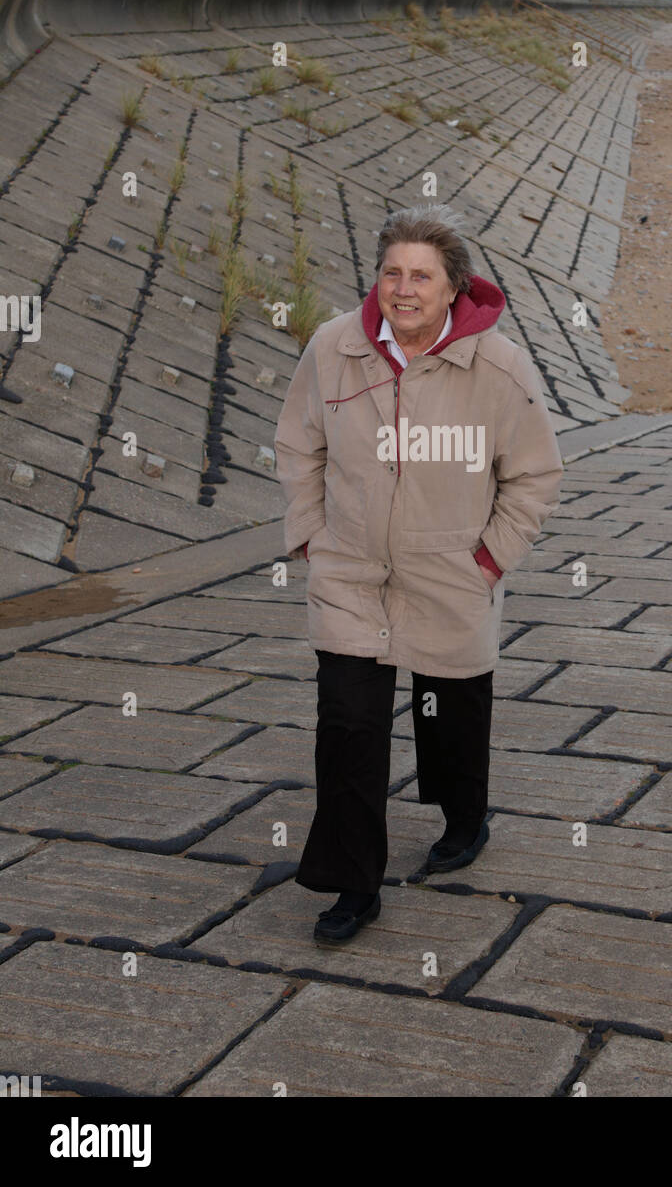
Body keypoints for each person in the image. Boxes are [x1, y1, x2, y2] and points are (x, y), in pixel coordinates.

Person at [274, 203, 563, 943]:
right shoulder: (333, 346)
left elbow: (532, 473)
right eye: (391, 272)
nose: (404, 289)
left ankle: (462, 818)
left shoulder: (497, 366)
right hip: (349, 571)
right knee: (346, 724)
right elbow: (298, 444)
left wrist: (488, 559)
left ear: (452, 287)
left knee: (452, 710)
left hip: (449, 570)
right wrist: (310, 531)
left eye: (422, 277)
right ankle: (351, 884)